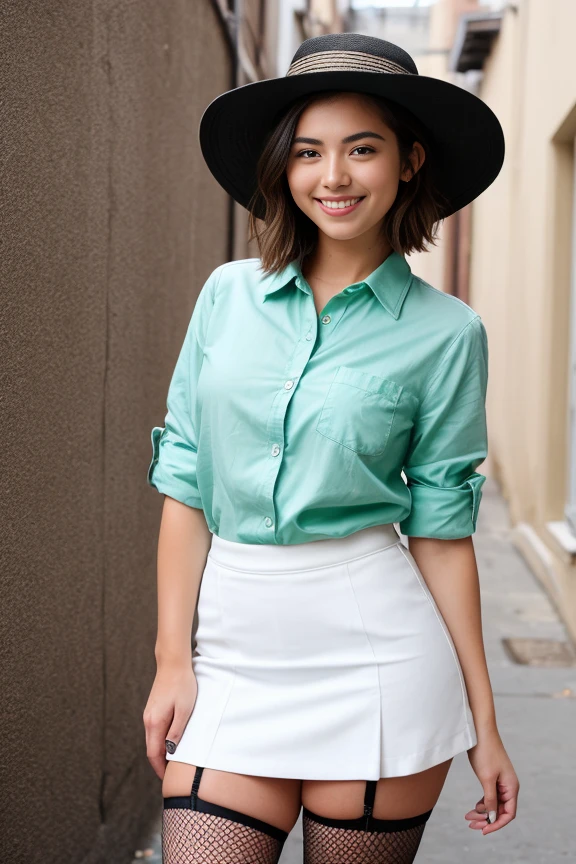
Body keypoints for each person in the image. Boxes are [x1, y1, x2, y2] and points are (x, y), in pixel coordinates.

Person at [143, 32, 519, 864]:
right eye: (309, 152)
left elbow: (442, 531)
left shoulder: (448, 334)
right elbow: (187, 483)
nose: (334, 177)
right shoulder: (226, 296)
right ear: (283, 165)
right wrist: (175, 662)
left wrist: (482, 724)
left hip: (378, 658)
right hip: (231, 658)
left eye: (362, 149)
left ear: (410, 161)